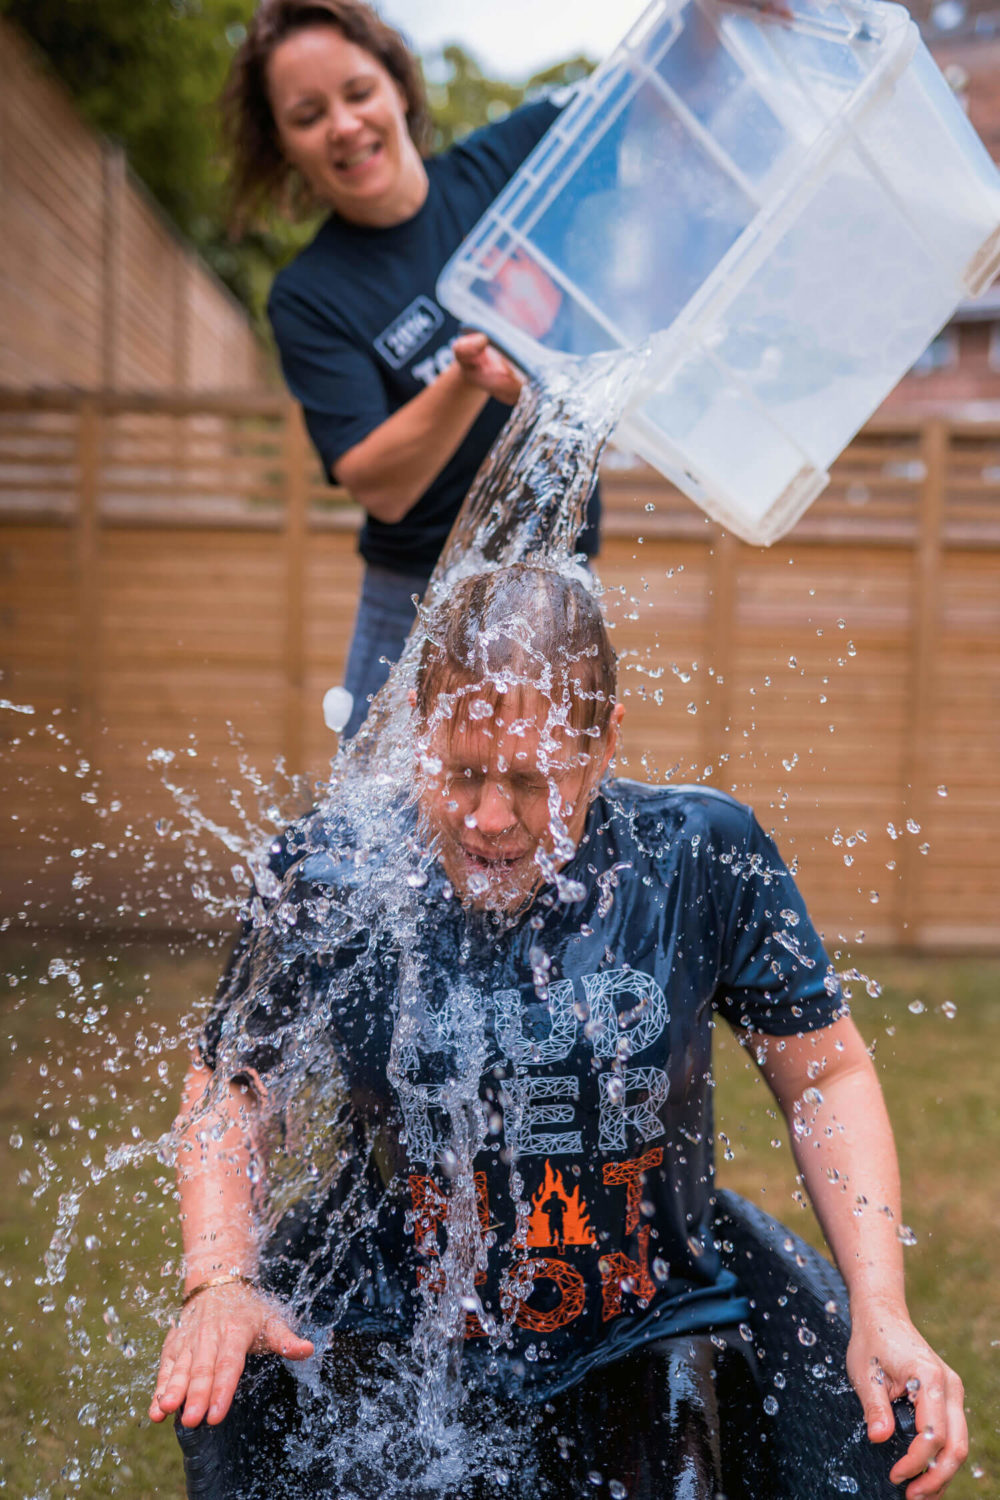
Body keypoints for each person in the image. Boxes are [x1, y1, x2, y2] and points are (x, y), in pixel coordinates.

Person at [151, 565, 966, 1500]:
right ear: (420, 728)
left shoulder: (698, 855)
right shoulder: (335, 871)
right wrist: (218, 1277)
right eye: (461, 774)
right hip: (389, 1321)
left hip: (648, 1316)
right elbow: (233, 1079)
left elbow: (824, 1076)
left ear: (604, 743)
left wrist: (882, 1305)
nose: (491, 819)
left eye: (531, 782)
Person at [221, 0, 600, 739]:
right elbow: (378, 484)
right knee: (372, 846)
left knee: (556, 831)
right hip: (416, 599)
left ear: (398, 86)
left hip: (560, 576)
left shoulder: (504, 169)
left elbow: (643, 101)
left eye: (358, 92)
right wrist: (465, 376)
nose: (343, 124)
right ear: (285, 144)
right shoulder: (310, 294)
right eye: (307, 114)